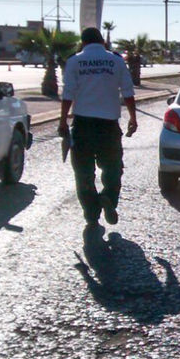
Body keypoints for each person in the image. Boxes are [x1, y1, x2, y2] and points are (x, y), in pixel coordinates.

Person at [57, 27, 137, 228]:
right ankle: (108, 196)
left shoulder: (74, 61)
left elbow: (68, 94)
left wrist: (62, 121)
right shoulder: (116, 60)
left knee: (83, 172)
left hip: (82, 125)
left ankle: (92, 213)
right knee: (112, 167)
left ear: (83, 43)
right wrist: (133, 118)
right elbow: (128, 92)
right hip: (108, 126)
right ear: (103, 42)